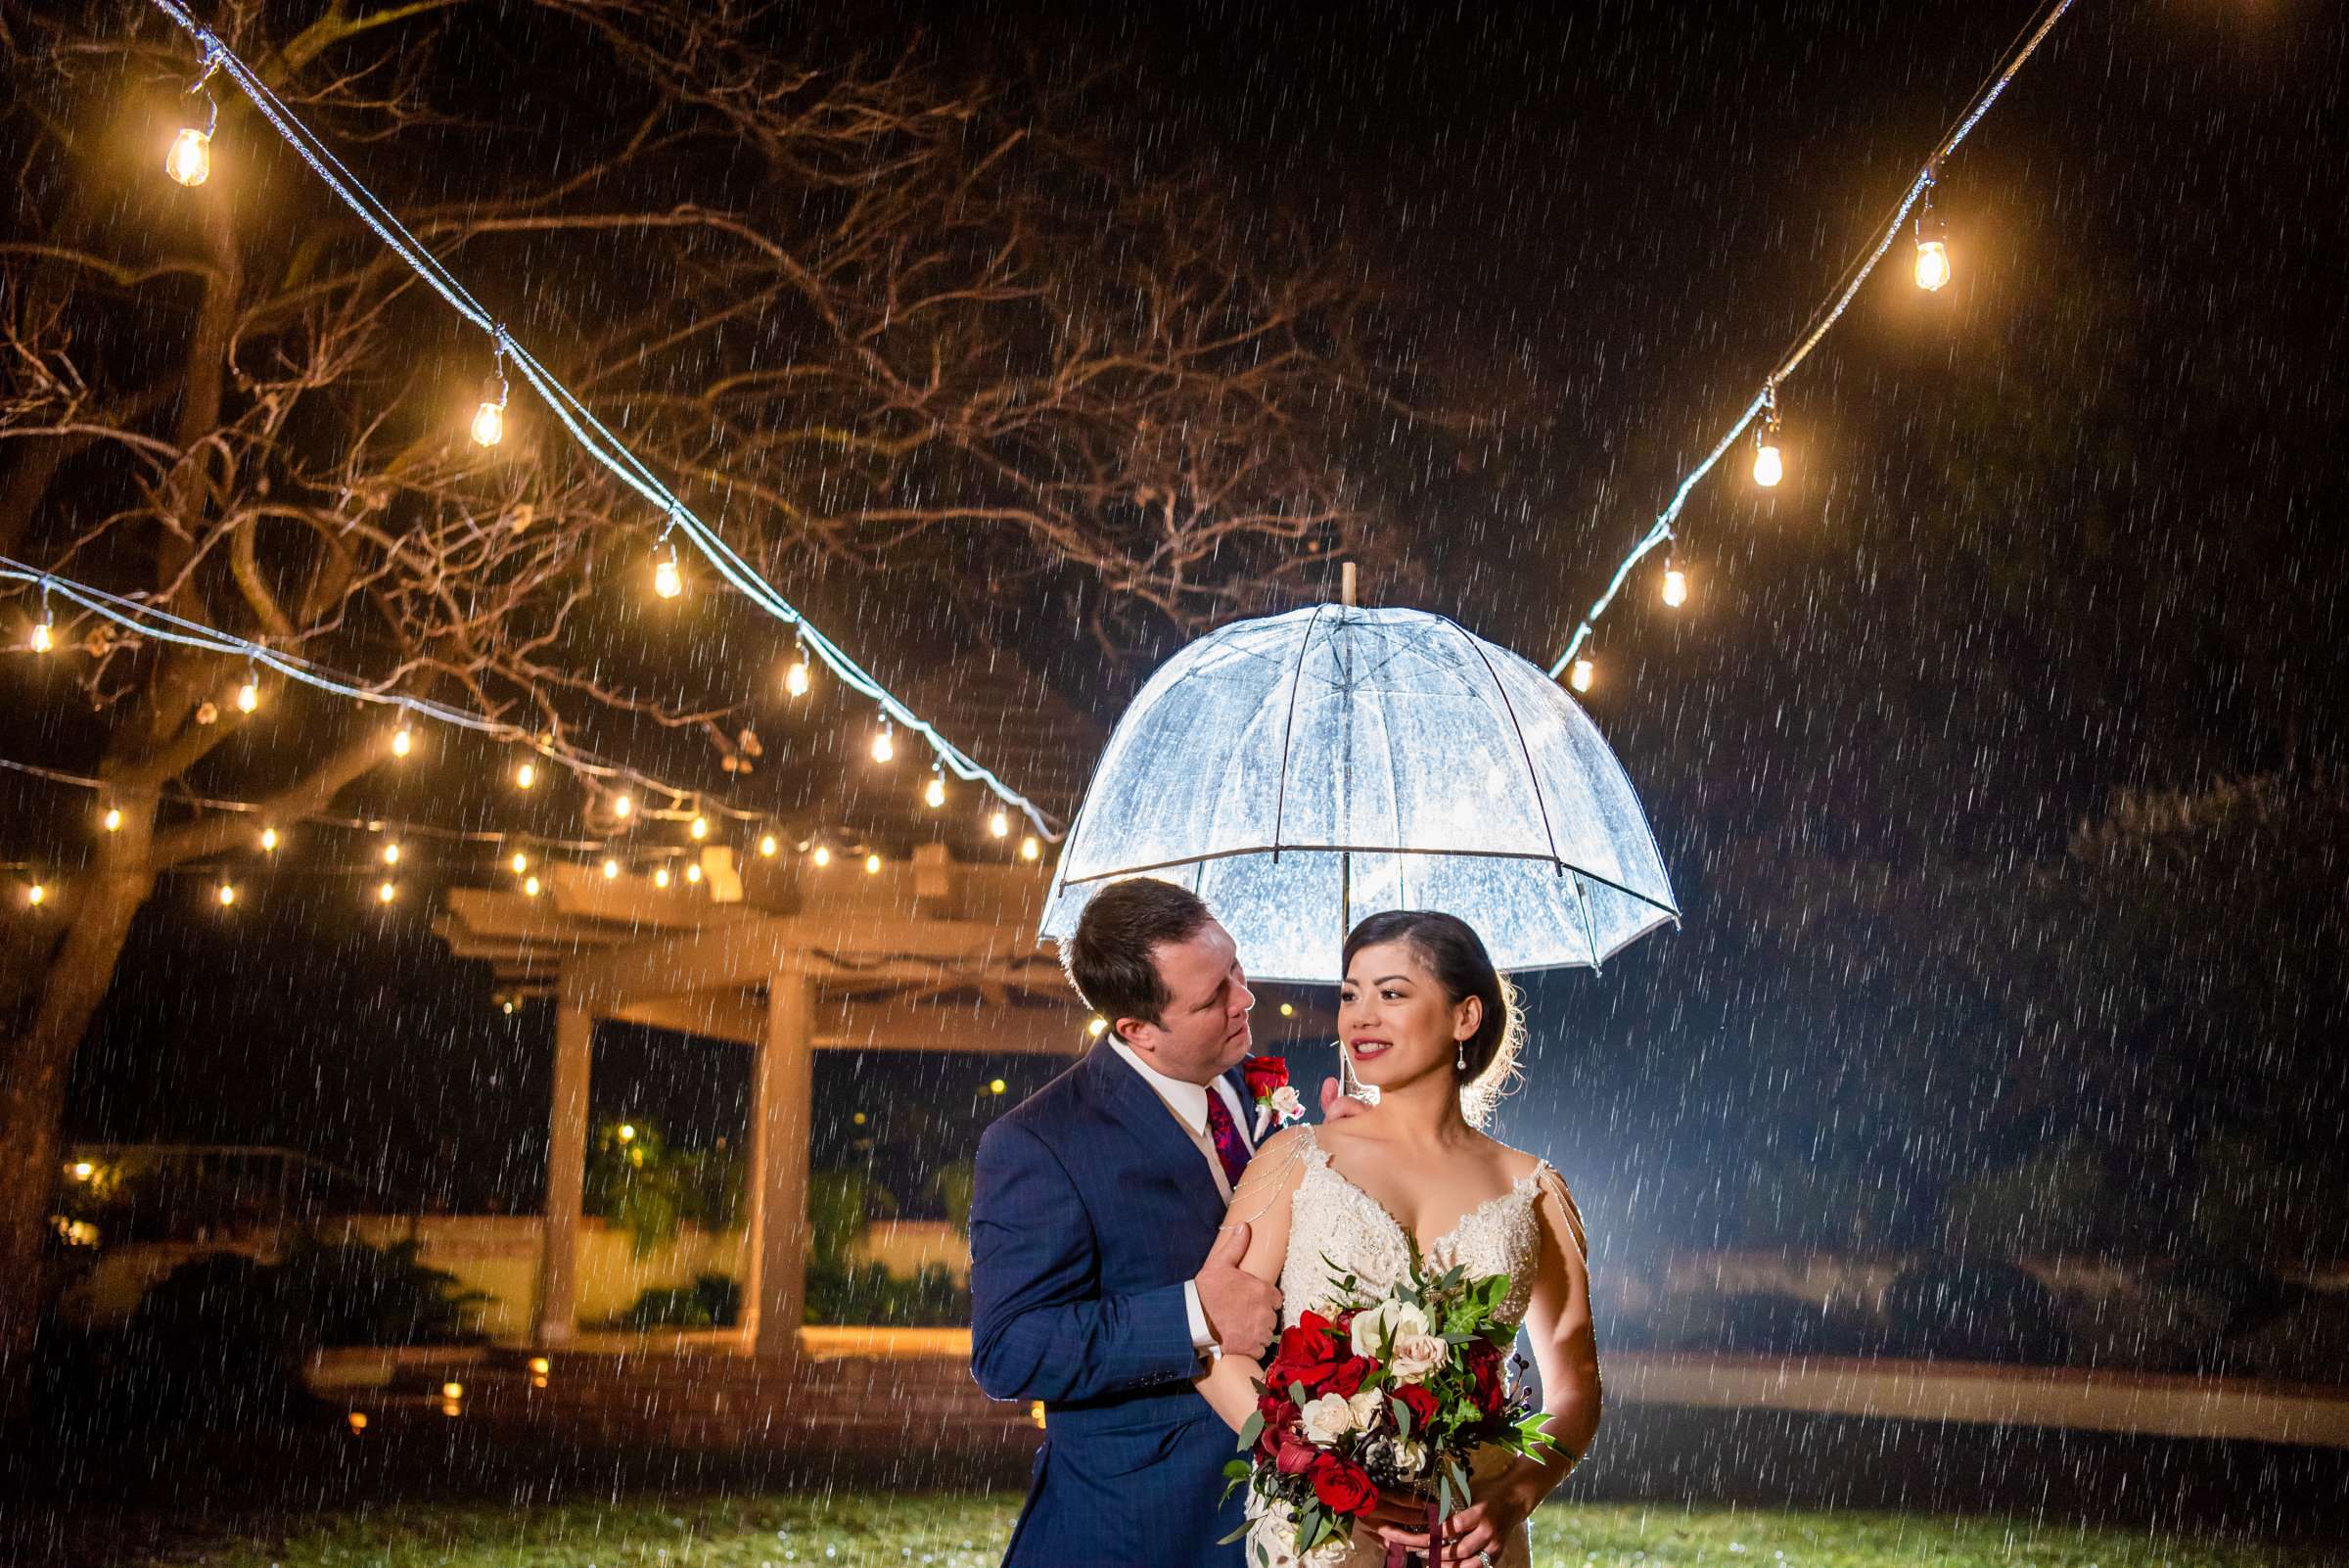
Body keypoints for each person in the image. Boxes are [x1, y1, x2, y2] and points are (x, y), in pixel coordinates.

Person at [970, 876, 1365, 1568]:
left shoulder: (1251, 1090)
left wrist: (1337, 1169)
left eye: (1235, 967)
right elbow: (1009, 1350)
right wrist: (1194, 1314)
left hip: (1288, 1511)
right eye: (1214, 997)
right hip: (1138, 1526)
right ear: (1137, 1030)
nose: (1244, 997)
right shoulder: (1040, 1143)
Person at [1193, 910, 1602, 1568]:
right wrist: (1316, 1468)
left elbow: (1576, 1384)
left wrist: (1516, 1496)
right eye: (1351, 994)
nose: (1359, 1017)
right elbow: (1214, 1349)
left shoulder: (1535, 1190)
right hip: (1318, 1533)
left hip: (1471, 1534)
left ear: (1464, 1018)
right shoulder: (1296, 1158)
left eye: (1392, 994)